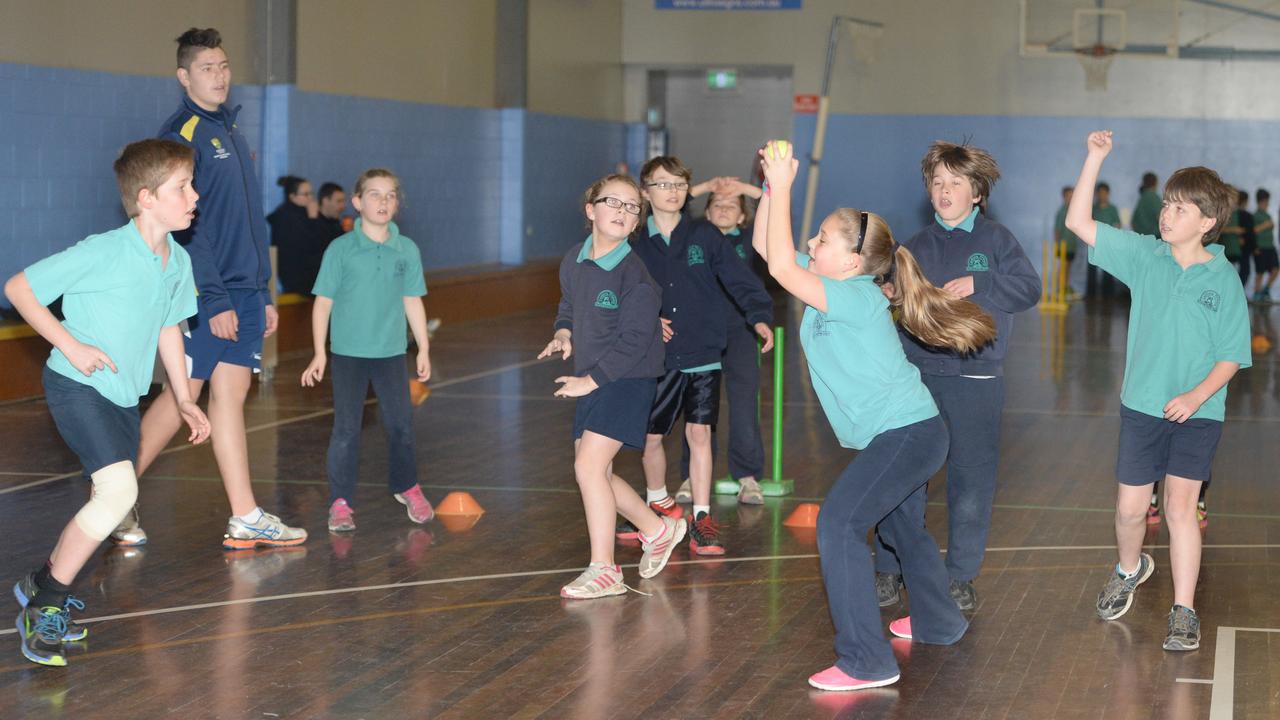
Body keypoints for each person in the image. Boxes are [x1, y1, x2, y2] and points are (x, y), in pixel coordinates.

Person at [755, 140, 987, 691]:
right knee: (903, 528)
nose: (811, 241)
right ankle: (939, 620)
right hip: (912, 431)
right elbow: (773, 255)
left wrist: (787, 186)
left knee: (840, 523)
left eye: (823, 239)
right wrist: (770, 186)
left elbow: (783, 263)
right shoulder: (830, 289)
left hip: (907, 434)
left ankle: (867, 660)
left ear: (853, 261)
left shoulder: (856, 296)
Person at [5, 139, 211, 666]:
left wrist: (183, 397)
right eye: (181, 188)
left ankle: (39, 583)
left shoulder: (176, 259)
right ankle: (45, 603)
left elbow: (170, 327)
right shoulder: (103, 250)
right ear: (146, 198)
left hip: (123, 398)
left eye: (191, 184)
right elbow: (20, 288)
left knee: (114, 495)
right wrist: (70, 344)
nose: (194, 196)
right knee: (119, 492)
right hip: (76, 385)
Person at [115, 27, 307, 550]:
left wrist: (262, 291)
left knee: (231, 394)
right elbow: (185, 228)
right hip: (206, 293)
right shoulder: (185, 133)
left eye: (223, 66)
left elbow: (248, 223)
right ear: (184, 76)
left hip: (245, 291)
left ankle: (245, 515)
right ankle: (112, 498)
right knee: (185, 395)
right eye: (207, 68)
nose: (219, 76)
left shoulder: (234, 133)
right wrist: (216, 298)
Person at [1066, 130, 1249, 652]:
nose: (1166, 215)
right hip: (1142, 407)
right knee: (1129, 511)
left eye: (1180, 208)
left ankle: (1184, 609)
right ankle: (1129, 568)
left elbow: (1232, 355)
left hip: (1200, 412)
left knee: (1179, 508)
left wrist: (1195, 397)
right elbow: (1078, 222)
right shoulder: (1145, 256)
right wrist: (1094, 158)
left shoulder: (1224, 279)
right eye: (1166, 205)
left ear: (1207, 223)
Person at [873, 141, 1041, 612]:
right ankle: (888, 567)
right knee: (904, 479)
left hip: (976, 382)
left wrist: (980, 284)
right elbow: (891, 297)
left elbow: (1030, 288)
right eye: (937, 182)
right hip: (918, 379)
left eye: (956, 182)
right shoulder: (914, 248)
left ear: (978, 192)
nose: (945, 191)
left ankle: (960, 575)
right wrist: (888, 293)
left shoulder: (998, 241)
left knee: (971, 483)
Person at [539, 173, 684, 599]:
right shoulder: (574, 259)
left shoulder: (635, 276)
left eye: (631, 207)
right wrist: (564, 334)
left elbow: (638, 340)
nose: (622, 212)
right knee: (594, 470)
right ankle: (658, 530)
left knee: (587, 468)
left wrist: (591, 381)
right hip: (594, 376)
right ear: (591, 210)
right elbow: (568, 304)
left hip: (628, 379)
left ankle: (604, 570)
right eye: (613, 203)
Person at [623, 156, 774, 556]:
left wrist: (759, 317)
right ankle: (657, 504)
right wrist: (646, 319)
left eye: (678, 185)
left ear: (687, 191)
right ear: (645, 192)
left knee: (699, 432)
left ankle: (702, 517)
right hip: (654, 356)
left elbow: (740, 280)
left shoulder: (706, 235)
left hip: (702, 351)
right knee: (651, 437)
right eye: (662, 184)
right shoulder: (634, 241)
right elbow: (620, 291)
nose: (671, 192)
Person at [301, 168, 435, 532]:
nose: (383, 201)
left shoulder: (406, 249)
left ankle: (407, 486)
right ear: (358, 202)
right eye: (375, 195)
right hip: (348, 354)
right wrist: (319, 352)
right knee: (346, 429)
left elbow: (413, 300)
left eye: (391, 195)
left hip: (391, 353)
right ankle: (340, 501)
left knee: (401, 426)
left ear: (397, 204)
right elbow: (322, 304)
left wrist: (422, 348)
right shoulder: (340, 249)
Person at [676, 187, 772, 505]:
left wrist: (745, 189)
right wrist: (710, 184)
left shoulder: (748, 242)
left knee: (744, 404)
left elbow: (771, 207)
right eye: (717, 204)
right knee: (698, 408)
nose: (724, 209)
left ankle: (747, 476)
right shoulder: (691, 238)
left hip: (741, 331)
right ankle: (693, 475)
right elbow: (675, 200)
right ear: (707, 212)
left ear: (743, 217)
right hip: (700, 332)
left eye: (732, 206)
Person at [267, 175, 329, 295]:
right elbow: (311, 245)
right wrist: (313, 219)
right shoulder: (286, 218)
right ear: (292, 197)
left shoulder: (303, 213)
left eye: (311, 193)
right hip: (298, 277)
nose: (311, 198)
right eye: (305, 194)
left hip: (309, 275)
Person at [1054, 186, 1082, 299]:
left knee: (1068, 268)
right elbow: (1057, 230)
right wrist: (1057, 245)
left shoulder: (1073, 211)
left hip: (1072, 246)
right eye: (1069, 196)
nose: (1071, 198)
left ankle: (1065, 288)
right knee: (1063, 267)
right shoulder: (1062, 212)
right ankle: (1059, 289)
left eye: (1072, 196)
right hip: (1063, 246)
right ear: (1064, 197)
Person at [1252, 189, 1277, 302]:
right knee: (1260, 272)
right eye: (1266, 201)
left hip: (1270, 247)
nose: (1268, 203)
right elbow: (1253, 231)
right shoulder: (1255, 215)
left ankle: (1265, 290)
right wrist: (1266, 225)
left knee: (1275, 269)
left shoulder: (1267, 215)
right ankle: (1257, 294)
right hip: (1260, 247)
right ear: (1261, 201)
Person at [1132, 172, 1162, 238]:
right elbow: (1160, 217)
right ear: (1155, 183)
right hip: (1155, 239)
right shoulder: (1154, 197)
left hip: (1142, 239)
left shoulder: (1142, 198)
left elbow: (1133, 222)